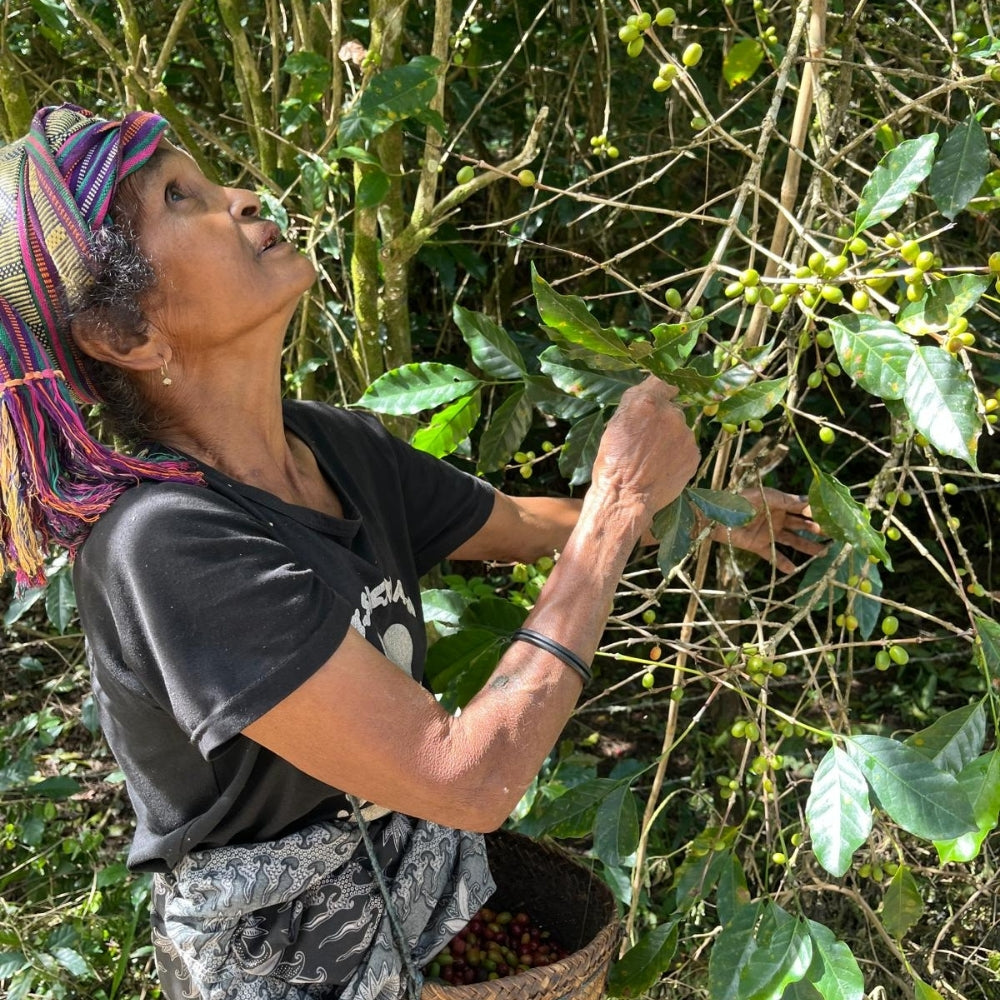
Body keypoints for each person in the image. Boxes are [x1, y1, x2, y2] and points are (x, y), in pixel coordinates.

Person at [0, 105, 823, 1000]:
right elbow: (465, 780)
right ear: (127, 338)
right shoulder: (166, 542)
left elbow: (516, 523)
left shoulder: (331, 446)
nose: (241, 198)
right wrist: (619, 507)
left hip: (420, 921)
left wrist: (700, 513)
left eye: (212, 178)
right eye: (180, 197)